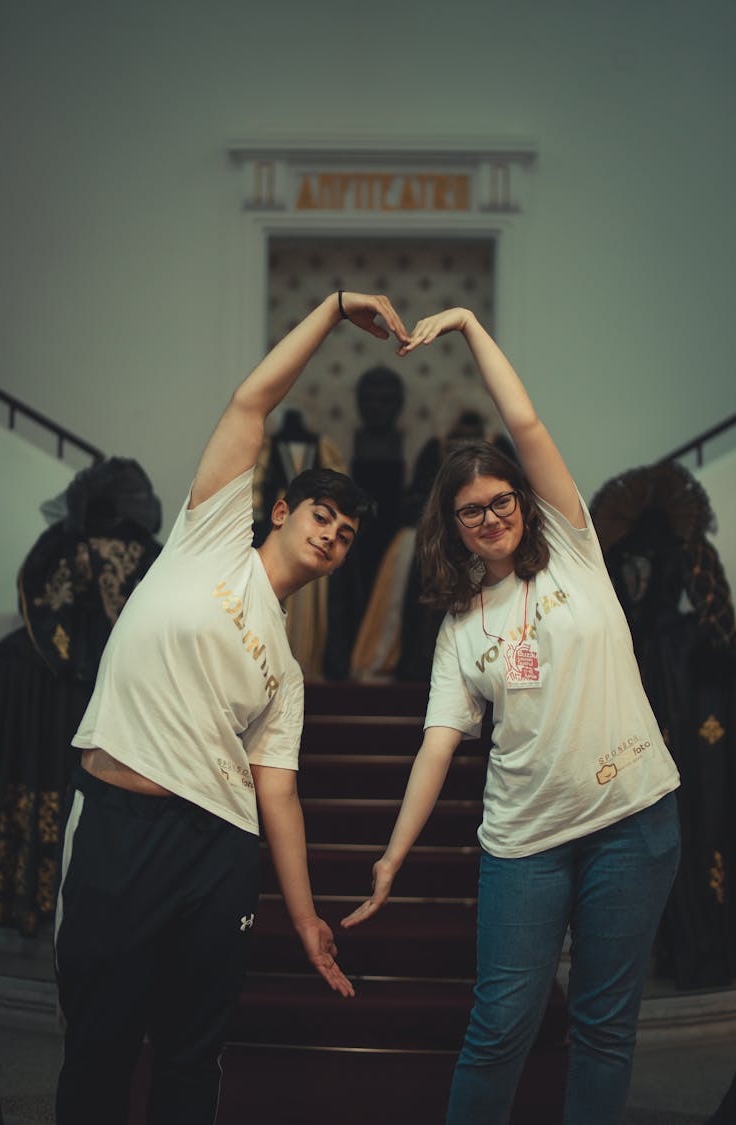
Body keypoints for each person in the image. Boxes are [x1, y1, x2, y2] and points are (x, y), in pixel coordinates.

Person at [53, 290, 409, 1125]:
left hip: (216, 851)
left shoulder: (285, 669)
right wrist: (330, 312)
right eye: (322, 515)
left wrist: (306, 913)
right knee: (98, 1044)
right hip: (117, 823)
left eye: (347, 535)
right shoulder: (210, 536)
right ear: (282, 510)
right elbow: (253, 400)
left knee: (189, 1052)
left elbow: (276, 790)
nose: (331, 535)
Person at [342, 306, 682, 1125]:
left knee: (604, 1030)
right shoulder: (460, 626)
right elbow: (435, 747)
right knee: (500, 1029)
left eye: (501, 500)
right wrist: (391, 856)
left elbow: (523, 420)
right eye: (471, 510)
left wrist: (465, 323)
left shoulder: (573, 545)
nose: (491, 516)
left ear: (524, 502)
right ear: (452, 527)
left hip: (632, 820)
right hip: (523, 842)